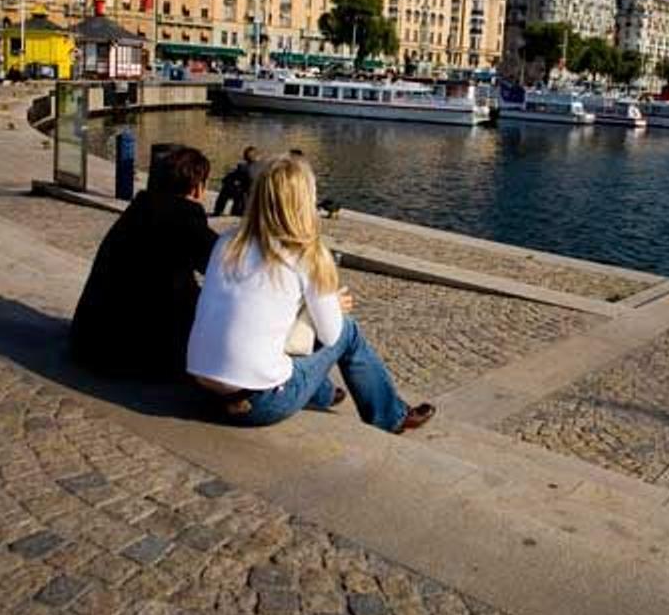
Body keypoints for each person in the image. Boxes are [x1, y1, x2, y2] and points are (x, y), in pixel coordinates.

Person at [187, 155, 434, 433]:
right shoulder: (306, 254)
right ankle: (392, 417)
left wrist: (304, 306)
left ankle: (323, 393)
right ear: (305, 202)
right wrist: (333, 308)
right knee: (347, 331)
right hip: (258, 403)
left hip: (202, 390)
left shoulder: (228, 242)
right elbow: (330, 336)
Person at [71, 147, 218, 380]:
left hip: (91, 341)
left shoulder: (139, 208)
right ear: (198, 187)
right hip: (141, 355)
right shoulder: (186, 218)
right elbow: (222, 267)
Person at [212, 145, 260, 217]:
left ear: (245, 157)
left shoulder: (243, 168)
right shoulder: (262, 167)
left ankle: (218, 210)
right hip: (256, 195)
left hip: (246, 197)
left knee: (226, 188)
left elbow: (227, 179)